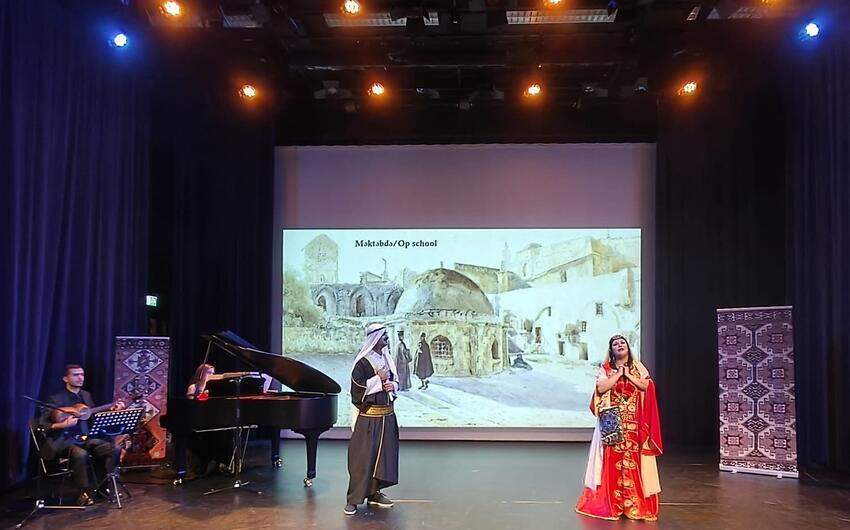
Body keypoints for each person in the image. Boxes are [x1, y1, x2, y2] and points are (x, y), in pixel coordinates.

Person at [575, 335, 663, 521]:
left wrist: (628, 374)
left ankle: (633, 506)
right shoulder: (606, 369)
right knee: (612, 463)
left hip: (634, 423)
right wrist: (618, 374)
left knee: (634, 464)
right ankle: (613, 504)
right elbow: (601, 388)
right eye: (615, 344)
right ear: (611, 350)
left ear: (628, 347)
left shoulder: (638, 367)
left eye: (622, 342)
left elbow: (645, 385)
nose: (619, 345)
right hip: (613, 424)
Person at [40, 365, 125, 506]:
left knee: (114, 449)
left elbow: (92, 416)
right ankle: (83, 493)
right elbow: (42, 425)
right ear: (65, 378)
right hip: (63, 441)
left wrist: (111, 410)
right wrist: (62, 425)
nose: (80, 378)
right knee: (80, 454)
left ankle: (104, 487)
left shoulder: (86, 395)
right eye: (75, 375)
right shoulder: (55, 399)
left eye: (82, 375)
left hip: (84, 438)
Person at [344, 323, 399, 515]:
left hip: (387, 418)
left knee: (383, 459)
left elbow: (395, 380)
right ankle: (353, 500)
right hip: (369, 419)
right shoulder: (362, 363)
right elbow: (357, 390)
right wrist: (378, 379)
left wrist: (392, 385)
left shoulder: (387, 358)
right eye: (384, 336)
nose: (387, 339)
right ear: (374, 339)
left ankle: (375, 493)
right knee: (362, 460)